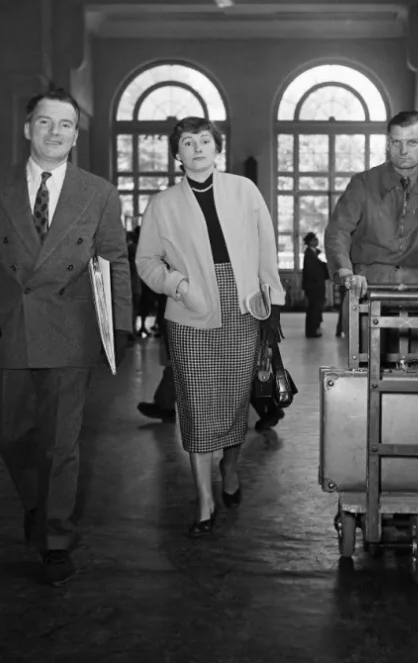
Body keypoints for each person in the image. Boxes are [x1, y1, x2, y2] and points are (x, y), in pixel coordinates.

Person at [0, 87, 132, 586]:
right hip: (9, 324)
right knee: (4, 425)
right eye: (44, 122)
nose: (54, 132)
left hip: (70, 327)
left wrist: (118, 327)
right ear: (26, 128)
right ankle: (39, 503)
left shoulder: (97, 192)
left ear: (75, 136)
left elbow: (114, 261)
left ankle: (56, 537)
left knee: (61, 442)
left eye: (64, 125)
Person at [135, 116, 285, 538]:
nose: (197, 147)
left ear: (216, 148)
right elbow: (146, 261)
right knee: (198, 406)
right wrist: (178, 285)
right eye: (187, 142)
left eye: (205, 140)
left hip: (243, 305)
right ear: (177, 154)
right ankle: (204, 499)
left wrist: (269, 303)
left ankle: (231, 464)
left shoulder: (244, 190)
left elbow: (265, 246)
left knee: (237, 400)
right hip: (189, 312)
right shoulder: (163, 204)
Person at [324, 110, 418, 355]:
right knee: (366, 375)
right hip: (368, 289)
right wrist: (346, 272)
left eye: (412, 142)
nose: (403, 151)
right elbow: (338, 231)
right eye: (396, 142)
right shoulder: (362, 184)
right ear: (388, 143)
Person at [302, 231, 329, 338]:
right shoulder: (309, 255)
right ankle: (312, 331)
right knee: (313, 309)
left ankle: (315, 329)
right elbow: (313, 271)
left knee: (316, 309)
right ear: (309, 242)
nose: (316, 241)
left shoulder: (313, 254)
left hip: (316, 287)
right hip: (313, 288)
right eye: (314, 239)